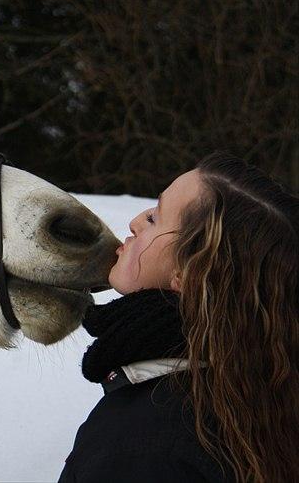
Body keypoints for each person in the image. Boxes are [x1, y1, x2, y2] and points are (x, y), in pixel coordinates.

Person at [57, 152, 298, 483]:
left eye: (156, 218)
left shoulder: (141, 449)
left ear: (191, 272)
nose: (136, 221)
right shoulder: (259, 396)